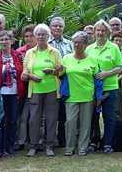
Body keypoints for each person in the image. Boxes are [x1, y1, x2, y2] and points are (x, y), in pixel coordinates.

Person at [22, 24, 62, 157]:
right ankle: (33, 145)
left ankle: (49, 145)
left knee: (51, 118)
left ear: (48, 36)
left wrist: (53, 71)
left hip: (52, 89)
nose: (40, 36)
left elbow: (61, 71)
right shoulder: (30, 53)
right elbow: (25, 72)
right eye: (38, 34)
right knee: (34, 119)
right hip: (35, 90)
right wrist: (32, 76)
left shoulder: (55, 52)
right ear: (35, 36)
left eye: (43, 34)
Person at [86, 20, 122, 154]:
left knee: (109, 117)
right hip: (93, 89)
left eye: (103, 30)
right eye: (98, 30)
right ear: (94, 32)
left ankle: (108, 143)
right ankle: (94, 141)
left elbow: (121, 68)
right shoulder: (89, 49)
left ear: (107, 32)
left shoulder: (114, 47)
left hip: (111, 88)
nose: (100, 33)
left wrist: (107, 73)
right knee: (93, 117)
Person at [61, 31, 100, 156]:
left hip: (87, 96)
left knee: (86, 124)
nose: (76, 45)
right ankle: (69, 147)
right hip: (71, 96)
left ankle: (83, 147)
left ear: (85, 44)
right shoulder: (66, 58)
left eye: (79, 43)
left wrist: (98, 97)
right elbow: (60, 74)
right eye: (75, 42)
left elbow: (98, 79)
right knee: (70, 123)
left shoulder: (92, 60)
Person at [0, 30, 25, 155]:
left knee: (13, 121)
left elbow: (23, 74)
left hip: (15, 94)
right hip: (0, 94)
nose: (4, 42)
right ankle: (0, 146)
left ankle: (10, 145)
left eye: (6, 39)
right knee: (1, 120)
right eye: (1, 40)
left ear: (12, 41)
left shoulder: (19, 56)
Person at [48, 16, 73, 148]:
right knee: (51, 113)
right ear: (50, 27)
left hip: (66, 81)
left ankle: (62, 139)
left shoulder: (70, 44)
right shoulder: (44, 42)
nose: (58, 28)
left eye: (60, 26)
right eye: (55, 26)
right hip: (50, 80)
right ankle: (49, 140)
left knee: (64, 112)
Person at [15, 24, 36, 150]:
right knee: (23, 116)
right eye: (26, 36)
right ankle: (21, 141)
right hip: (22, 88)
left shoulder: (40, 51)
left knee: (36, 116)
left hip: (36, 87)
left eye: (31, 36)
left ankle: (36, 140)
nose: (28, 39)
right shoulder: (19, 52)